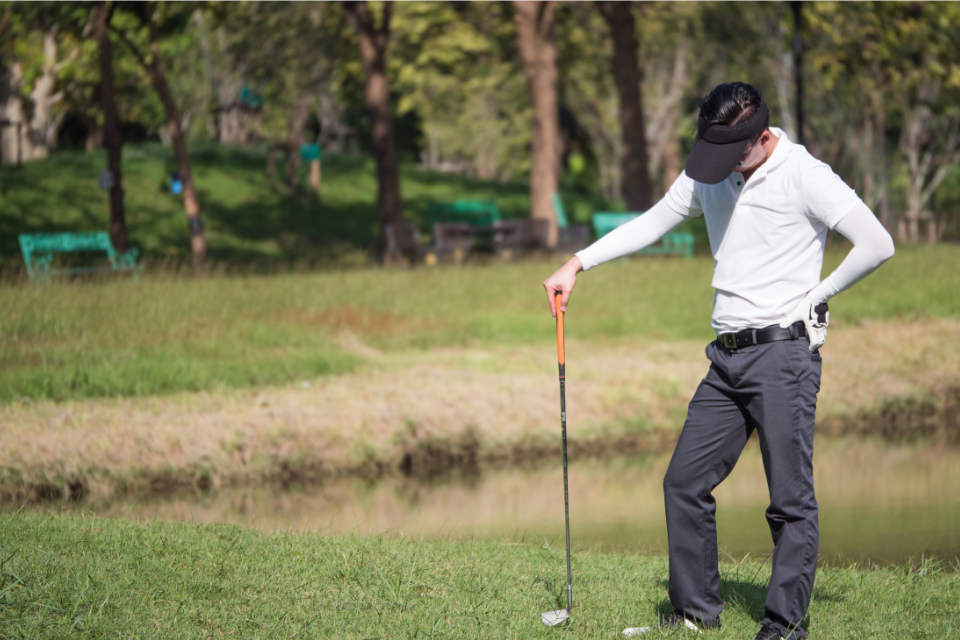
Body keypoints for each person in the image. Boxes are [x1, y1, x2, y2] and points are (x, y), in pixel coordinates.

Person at [542, 82, 894, 640]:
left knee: (788, 500)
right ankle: (695, 615)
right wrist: (577, 263)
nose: (721, 166)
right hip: (725, 360)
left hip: (783, 355)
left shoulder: (806, 174)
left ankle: (782, 628)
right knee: (683, 483)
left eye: (730, 154)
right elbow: (654, 222)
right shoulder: (712, 171)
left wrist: (816, 297)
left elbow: (877, 243)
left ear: (759, 140)